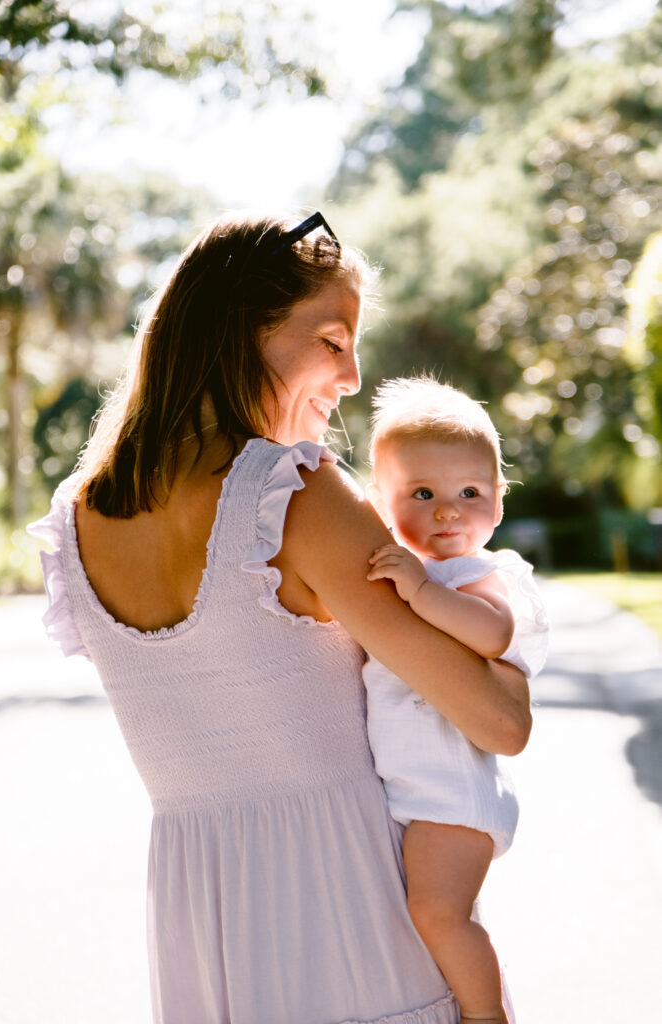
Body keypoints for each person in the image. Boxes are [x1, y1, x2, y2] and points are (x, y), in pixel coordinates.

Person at [28, 212, 532, 1024]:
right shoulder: (289, 492)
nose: (353, 376)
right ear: (243, 331)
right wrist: (510, 640)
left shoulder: (77, 518)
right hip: (352, 923)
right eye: (332, 342)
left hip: (204, 933)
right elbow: (499, 723)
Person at [363, 376, 549, 1024]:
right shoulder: (405, 566)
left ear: (497, 503)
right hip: (418, 790)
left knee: (437, 913)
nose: (447, 511)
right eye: (422, 493)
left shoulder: (473, 573)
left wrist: (418, 592)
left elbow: (490, 630)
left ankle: (483, 1014)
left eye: (468, 493)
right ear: (379, 502)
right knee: (432, 915)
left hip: (451, 795)